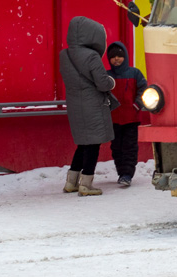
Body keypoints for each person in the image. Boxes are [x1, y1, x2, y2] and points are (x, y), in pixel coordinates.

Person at [59, 16, 115, 196]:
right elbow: (102, 83)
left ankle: (71, 182)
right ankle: (86, 184)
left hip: (75, 105)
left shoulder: (64, 55)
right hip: (92, 105)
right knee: (93, 144)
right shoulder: (91, 56)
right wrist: (112, 82)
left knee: (83, 143)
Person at [105, 41, 148, 187]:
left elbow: (143, 90)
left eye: (119, 56)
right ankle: (121, 173)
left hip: (131, 118)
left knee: (130, 148)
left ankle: (128, 174)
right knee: (116, 148)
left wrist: (137, 105)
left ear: (125, 56)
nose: (116, 59)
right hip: (113, 120)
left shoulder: (135, 73)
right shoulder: (107, 76)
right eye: (112, 57)